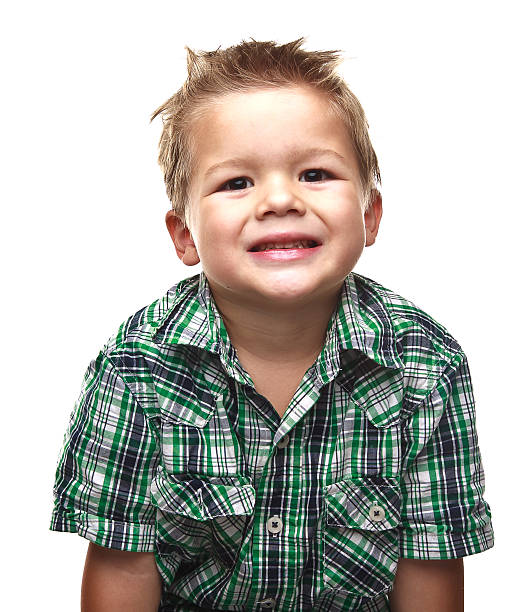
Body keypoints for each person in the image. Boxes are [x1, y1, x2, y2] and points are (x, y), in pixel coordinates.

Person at [50, 37, 494, 611]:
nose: (279, 199)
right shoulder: (136, 369)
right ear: (185, 236)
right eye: (237, 183)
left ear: (369, 215)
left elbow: (429, 570)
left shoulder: (427, 367)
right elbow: (122, 567)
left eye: (315, 173)